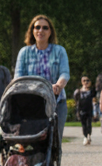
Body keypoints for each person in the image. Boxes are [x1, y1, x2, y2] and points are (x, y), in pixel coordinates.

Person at [15, 14, 70, 147]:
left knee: (54, 143)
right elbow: (18, 77)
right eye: (37, 27)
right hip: (31, 104)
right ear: (32, 31)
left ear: (50, 31)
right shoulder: (24, 52)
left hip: (56, 102)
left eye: (45, 28)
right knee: (32, 140)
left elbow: (65, 73)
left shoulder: (59, 51)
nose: (41, 31)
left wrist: (58, 84)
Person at [73, 74, 96, 145]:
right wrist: (77, 111)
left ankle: (89, 135)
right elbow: (76, 102)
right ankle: (85, 137)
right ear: (81, 82)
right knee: (83, 125)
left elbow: (95, 101)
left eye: (87, 81)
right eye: (84, 81)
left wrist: (95, 112)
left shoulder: (92, 92)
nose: (86, 82)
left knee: (89, 124)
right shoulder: (78, 92)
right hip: (82, 110)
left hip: (89, 110)